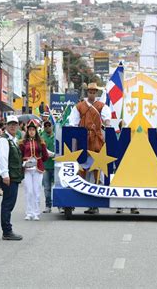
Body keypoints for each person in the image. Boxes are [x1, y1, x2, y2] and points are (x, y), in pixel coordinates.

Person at [69, 82, 111, 214]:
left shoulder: (102, 106)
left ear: (96, 93)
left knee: (96, 170)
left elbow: (107, 120)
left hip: (97, 140)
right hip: (83, 140)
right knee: (81, 169)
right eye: (90, 92)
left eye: (94, 92)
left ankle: (94, 204)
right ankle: (76, 200)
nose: (92, 94)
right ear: (87, 92)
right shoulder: (79, 106)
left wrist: (108, 125)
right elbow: (73, 123)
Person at [0, 115, 23, 241]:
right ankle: (7, 230)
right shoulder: (3, 140)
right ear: (6, 125)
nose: (13, 126)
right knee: (8, 203)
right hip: (9, 176)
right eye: (10, 124)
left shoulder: (12, 139)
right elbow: (2, 158)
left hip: (13, 175)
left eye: (15, 124)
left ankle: (7, 230)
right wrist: (5, 175)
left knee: (9, 203)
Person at [19, 120, 49, 221]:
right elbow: (20, 155)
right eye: (30, 130)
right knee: (29, 191)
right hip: (27, 169)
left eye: (33, 130)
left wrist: (38, 160)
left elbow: (45, 156)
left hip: (38, 169)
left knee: (37, 191)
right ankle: (29, 213)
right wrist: (24, 161)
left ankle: (36, 213)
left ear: (36, 131)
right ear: (27, 131)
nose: (31, 132)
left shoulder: (41, 142)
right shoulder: (22, 143)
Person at [41, 120, 55, 213]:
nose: (47, 127)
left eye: (49, 126)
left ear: (52, 126)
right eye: (45, 126)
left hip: (56, 165)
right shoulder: (42, 137)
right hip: (46, 166)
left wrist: (54, 154)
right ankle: (48, 206)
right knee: (47, 188)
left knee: (57, 187)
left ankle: (60, 206)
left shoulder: (56, 136)